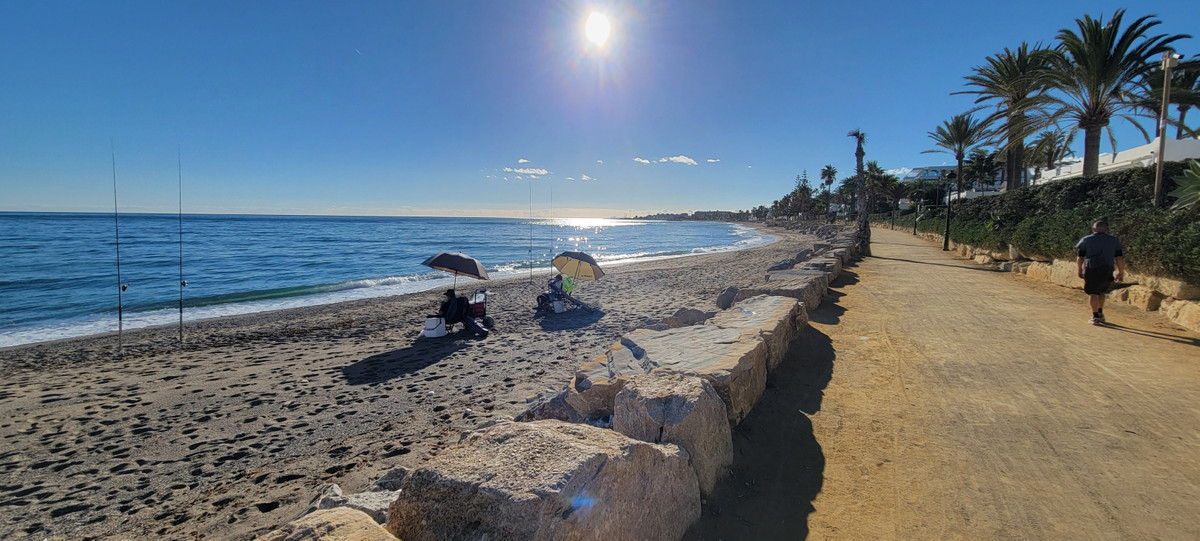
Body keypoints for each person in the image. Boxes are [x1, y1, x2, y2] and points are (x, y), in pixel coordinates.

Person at [1075, 220, 1125, 326]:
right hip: (1107, 268)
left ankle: (1095, 316)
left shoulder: (1086, 240)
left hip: (1091, 268)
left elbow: (1080, 257)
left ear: (1093, 229)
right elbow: (1119, 258)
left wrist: (1079, 269)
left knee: (1093, 293)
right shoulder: (1114, 241)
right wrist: (1120, 272)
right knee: (1102, 291)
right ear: (1107, 229)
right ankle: (1100, 313)